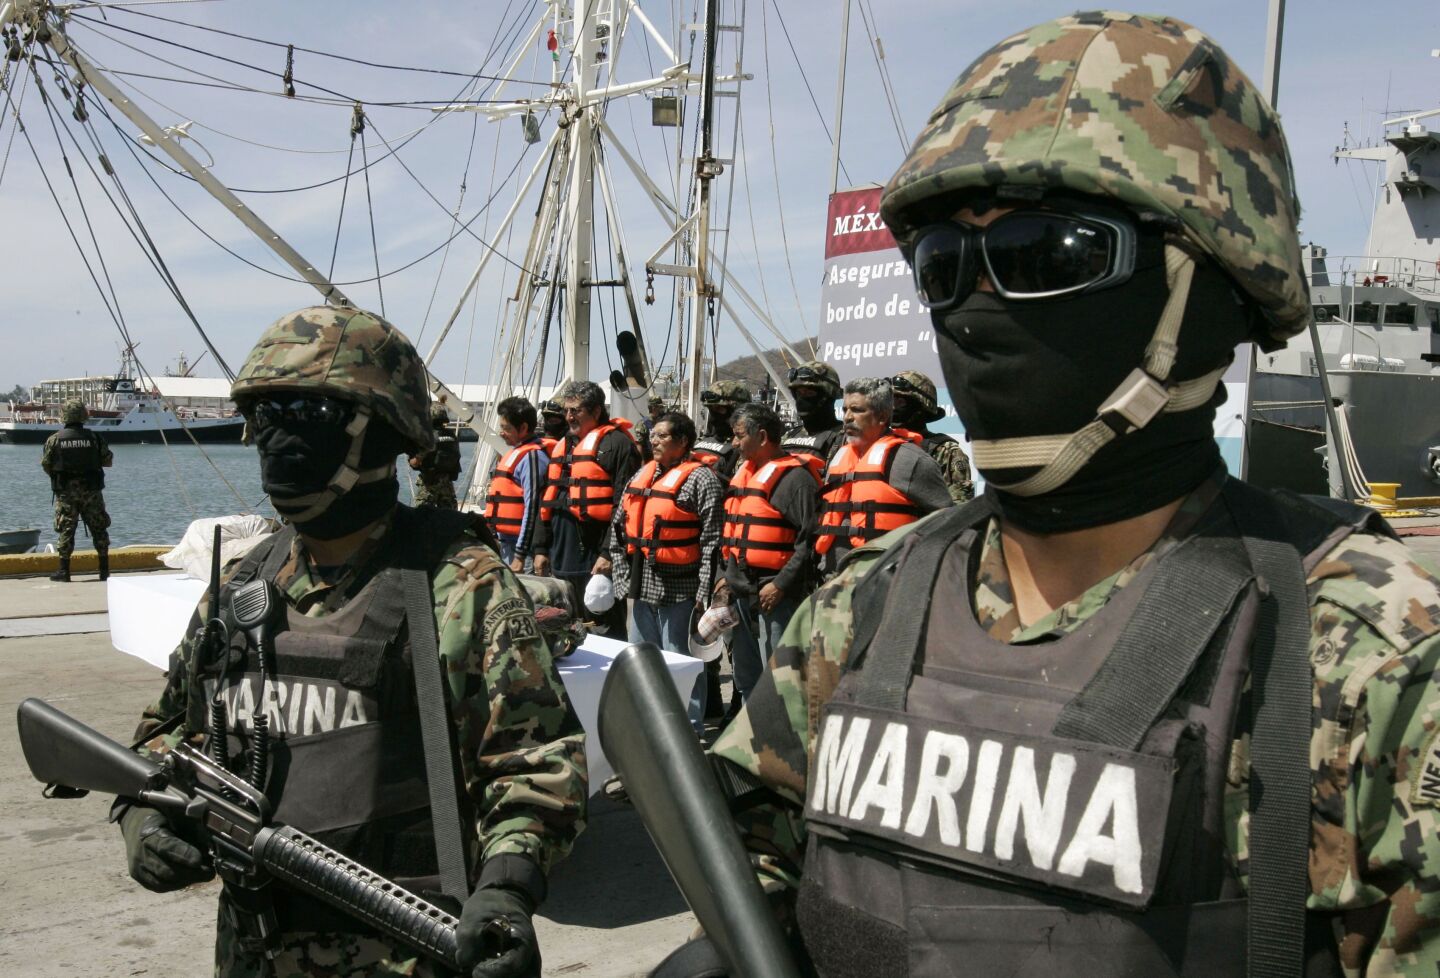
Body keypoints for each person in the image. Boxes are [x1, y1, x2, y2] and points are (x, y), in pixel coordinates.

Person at [686, 13, 1440, 976]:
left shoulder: (1372, 666)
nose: (978, 304)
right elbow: (763, 862)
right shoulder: (865, 606)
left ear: (1206, 289)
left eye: (1053, 254)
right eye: (943, 267)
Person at [116, 305, 586, 978]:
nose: (276, 439)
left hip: (408, 947)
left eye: (307, 417)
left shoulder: (458, 585)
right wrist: (145, 812)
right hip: (255, 949)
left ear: (381, 434)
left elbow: (537, 763)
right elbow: (170, 731)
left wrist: (508, 885)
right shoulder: (245, 583)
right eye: (266, 416)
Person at [600, 411, 725, 735]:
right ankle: (650, 726)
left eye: (662, 436)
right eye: (652, 435)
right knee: (643, 659)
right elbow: (619, 526)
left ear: (682, 442)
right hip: (642, 587)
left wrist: (704, 592)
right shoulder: (643, 474)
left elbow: (712, 540)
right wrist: (620, 574)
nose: (653, 441)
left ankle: (689, 729)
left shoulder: (702, 480)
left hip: (681, 589)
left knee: (680, 661)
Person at [716, 402, 819, 721]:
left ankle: (784, 747)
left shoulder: (796, 480)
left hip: (775, 596)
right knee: (746, 675)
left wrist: (780, 584)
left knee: (779, 676)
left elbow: (809, 541)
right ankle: (752, 739)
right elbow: (729, 529)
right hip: (740, 592)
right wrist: (723, 575)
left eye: (739, 436)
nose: (733, 443)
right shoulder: (743, 473)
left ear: (762, 437)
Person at [534, 380, 641, 635]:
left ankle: (614, 674)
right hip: (561, 554)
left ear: (595, 411)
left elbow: (625, 506)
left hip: (595, 556)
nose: (569, 417)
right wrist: (540, 547)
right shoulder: (565, 445)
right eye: (567, 410)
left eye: (576, 410)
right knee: (565, 627)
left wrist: (608, 553)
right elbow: (547, 498)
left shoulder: (619, 445)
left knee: (604, 626)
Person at [815, 377, 951, 576]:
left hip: (883, 583)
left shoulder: (908, 460)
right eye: (845, 410)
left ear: (882, 416)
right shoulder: (839, 456)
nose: (847, 417)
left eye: (858, 410)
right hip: (831, 582)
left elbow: (946, 522)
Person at [41, 397, 112, 582]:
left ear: (64, 416)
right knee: (99, 528)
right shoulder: (95, 438)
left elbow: (46, 464)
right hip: (92, 490)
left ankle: (64, 571)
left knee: (66, 529)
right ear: (83, 416)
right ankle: (104, 570)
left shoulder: (54, 440)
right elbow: (108, 460)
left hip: (66, 491)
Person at [483, 396, 549, 572]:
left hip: (523, 550)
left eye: (506, 428)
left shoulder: (532, 457)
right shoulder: (515, 453)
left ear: (523, 428)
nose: (501, 432)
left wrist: (520, 555)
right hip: (506, 543)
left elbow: (532, 507)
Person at [890, 369, 974, 504]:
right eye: (891, 401)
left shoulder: (945, 451)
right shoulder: (878, 444)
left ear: (921, 407)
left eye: (900, 402)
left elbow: (959, 510)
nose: (893, 408)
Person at [780, 361, 845, 480]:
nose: (802, 398)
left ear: (829, 396)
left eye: (810, 393)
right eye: (799, 393)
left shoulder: (843, 438)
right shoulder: (789, 436)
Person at [692, 379, 751, 481]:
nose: (714, 416)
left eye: (719, 409)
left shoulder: (748, 449)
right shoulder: (700, 442)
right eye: (711, 409)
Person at [407, 402, 462, 509]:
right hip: (447, 486)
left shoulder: (427, 437)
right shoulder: (452, 436)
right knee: (449, 517)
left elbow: (415, 463)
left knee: (422, 518)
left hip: (429, 486)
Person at [634, 395, 667, 463]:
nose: (662, 409)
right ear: (653, 408)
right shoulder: (643, 423)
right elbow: (639, 444)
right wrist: (642, 461)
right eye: (660, 407)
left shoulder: (663, 422)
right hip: (648, 459)